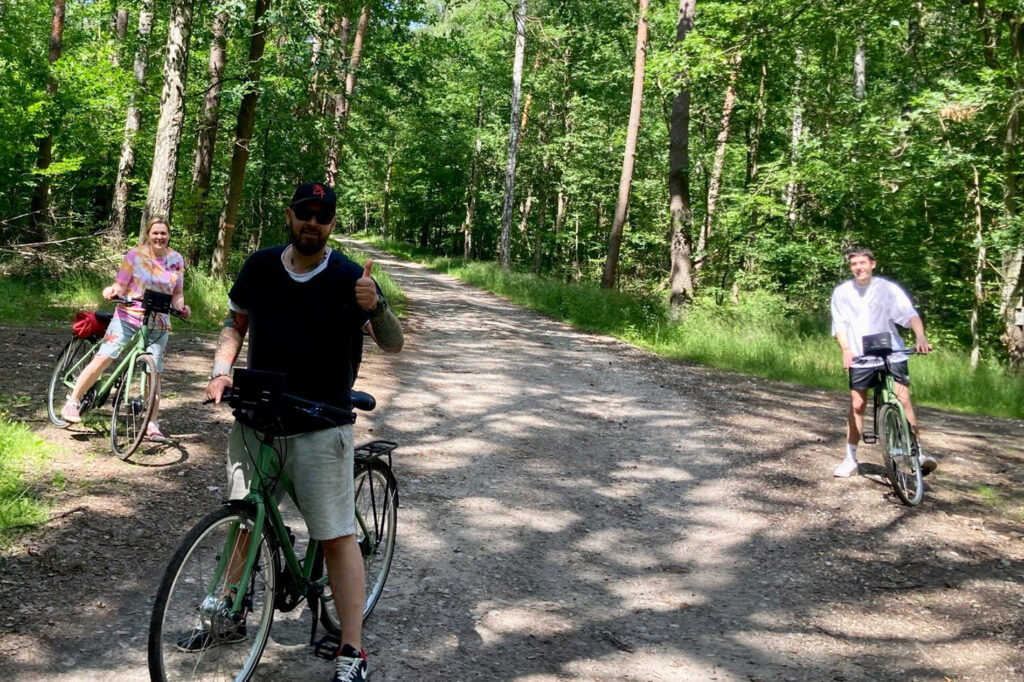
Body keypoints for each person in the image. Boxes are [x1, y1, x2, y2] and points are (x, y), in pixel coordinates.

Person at [205, 181, 403, 682]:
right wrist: (221, 370)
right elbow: (235, 323)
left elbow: (393, 344)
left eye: (322, 215)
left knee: (335, 537)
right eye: (304, 213)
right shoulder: (259, 266)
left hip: (320, 425)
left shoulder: (350, 278)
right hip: (257, 419)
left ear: (332, 223)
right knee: (243, 520)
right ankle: (229, 613)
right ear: (289, 216)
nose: (312, 222)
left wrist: (377, 305)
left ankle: (352, 650)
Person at [61, 217, 190, 440]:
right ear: (148, 235)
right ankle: (73, 401)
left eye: (163, 233)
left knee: (154, 374)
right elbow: (120, 284)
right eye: (155, 233)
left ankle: (152, 424)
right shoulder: (135, 255)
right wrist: (112, 291)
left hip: (159, 322)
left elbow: (177, 293)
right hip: (128, 316)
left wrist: (181, 307)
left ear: (169, 235)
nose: (159, 237)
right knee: (105, 357)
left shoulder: (176, 259)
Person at [830, 247, 937, 478]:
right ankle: (850, 459)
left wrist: (920, 337)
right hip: (860, 355)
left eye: (863, 263)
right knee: (857, 404)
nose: (858, 267)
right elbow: (840, 325)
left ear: (873, 264)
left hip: (892, 352)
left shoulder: (887, 289)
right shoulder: (842, 292)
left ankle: (918, 453)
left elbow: (910, 315)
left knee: (903, 399)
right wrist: (846, 349)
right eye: (854, 264)